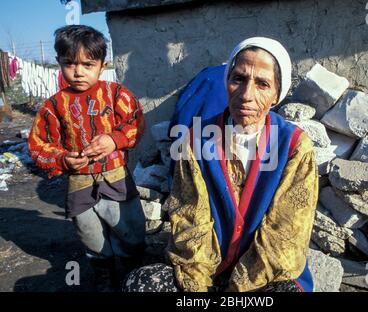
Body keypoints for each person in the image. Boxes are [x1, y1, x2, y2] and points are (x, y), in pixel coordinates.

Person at [124, 37, 318, 292]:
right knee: (141, 283)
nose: (246, 95)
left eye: (262, 84)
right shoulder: (195, 140)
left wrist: (236, 292)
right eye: (238, 79)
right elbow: (190, 221)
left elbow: (285, 236)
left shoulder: (294, 146)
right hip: (206, 270)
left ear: (276, 95)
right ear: (226, 82)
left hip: (262, 278)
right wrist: (199, 290)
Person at [28, 25, 146, 291]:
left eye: (87, 64)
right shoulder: (53, 106)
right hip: (79, 185)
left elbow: (136, 122)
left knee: (129, 229)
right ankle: (104, 275)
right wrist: (62, 159)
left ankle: (133, 273)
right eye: (69, 63)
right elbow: (38, 145)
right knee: (90, 234)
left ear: (102, 66)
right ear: (59, 63)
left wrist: (113, 139)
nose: (78, 71)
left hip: (116, 180)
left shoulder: (117, 95)